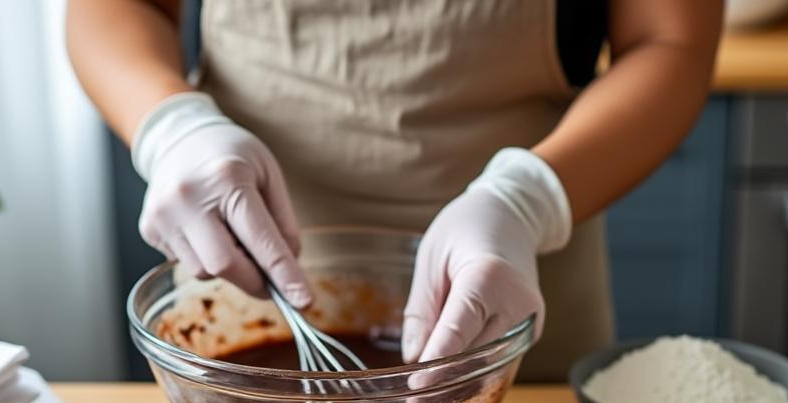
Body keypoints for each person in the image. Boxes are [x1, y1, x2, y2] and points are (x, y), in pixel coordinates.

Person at [67, 0, 721, 380]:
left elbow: (670, 39)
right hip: (238, 269)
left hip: (508, 290)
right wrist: (174, 129)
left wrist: (525, 200)